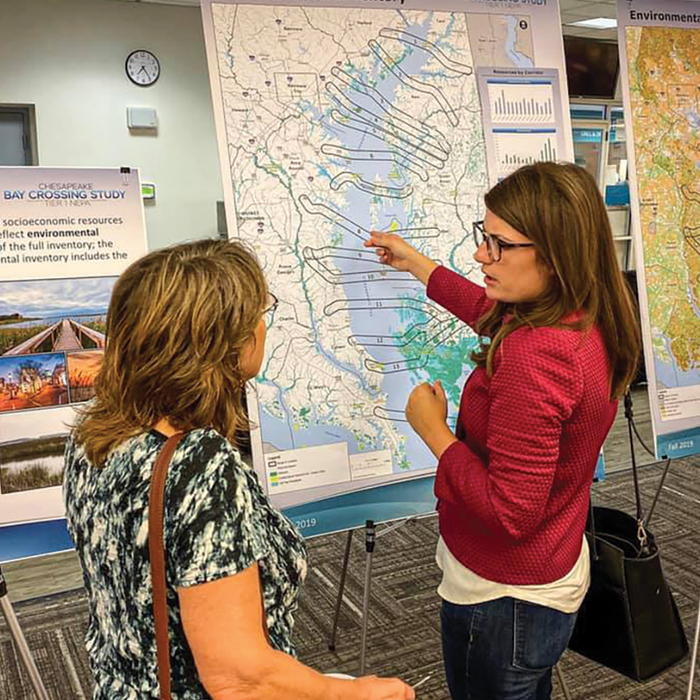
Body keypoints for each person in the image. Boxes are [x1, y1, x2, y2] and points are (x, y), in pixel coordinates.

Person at [63, 239, 414, 700]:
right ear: (222, 344)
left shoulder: (94, 432)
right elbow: (238, 678)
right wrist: (349, 693)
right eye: (259, 311)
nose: (264, 324)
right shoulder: (199, 465)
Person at [365, 162, 641, 700]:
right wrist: (418, 265)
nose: (480, 255)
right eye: (483, 236)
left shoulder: (536, 356)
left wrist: (434, 433)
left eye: (499, 245)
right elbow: (489, 311)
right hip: (549, 571)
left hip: (504, 597)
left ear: (556, 251)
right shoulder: (584, 312)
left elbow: (510, 512)